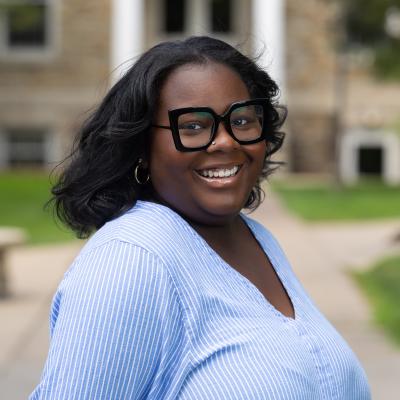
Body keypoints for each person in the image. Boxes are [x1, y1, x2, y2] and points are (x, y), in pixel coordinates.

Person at [30, 36, 370, 399]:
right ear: (142, 147)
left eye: (241, 119)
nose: (225, 141)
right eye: (192, 126)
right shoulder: (131, 259)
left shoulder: (257, 239)